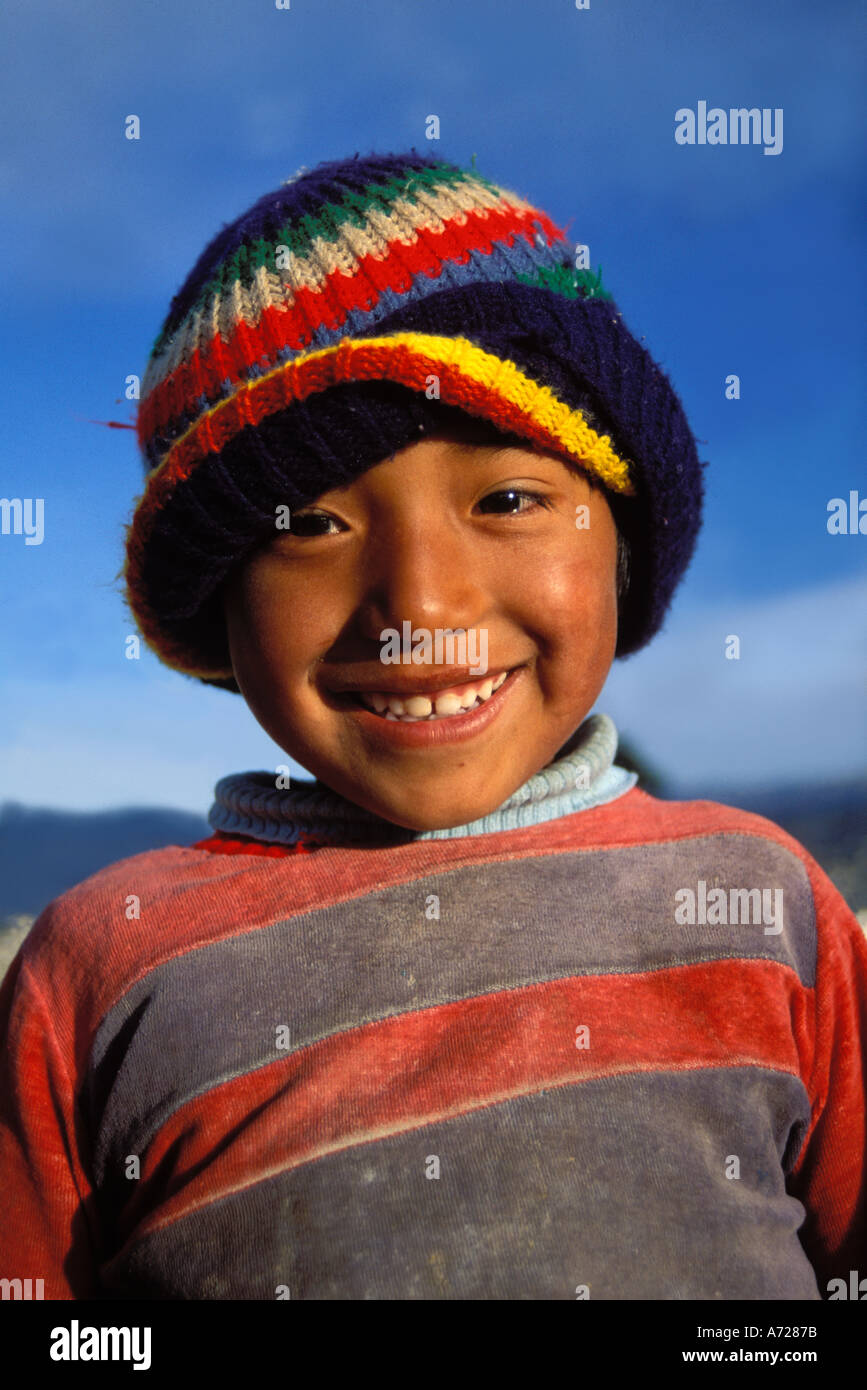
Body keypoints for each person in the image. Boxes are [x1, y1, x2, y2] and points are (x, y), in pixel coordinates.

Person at [1, 149, 864, 1300]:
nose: (419, 606)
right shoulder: (102, 961)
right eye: (307, 522)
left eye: (506, 499)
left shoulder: (766, 901)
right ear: (219, 603)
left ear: (621, 544)